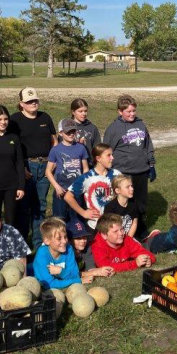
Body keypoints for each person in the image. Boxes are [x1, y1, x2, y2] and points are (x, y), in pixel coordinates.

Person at [9, 87, 57, 249]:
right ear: (21, 103)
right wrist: (21, 168)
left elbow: (54, 141)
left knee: (40, 206)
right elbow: (12, 147)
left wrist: (52, 163)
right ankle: (21, 244)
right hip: (26, 167)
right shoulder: (14, 120)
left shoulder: (45, 117)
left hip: (45, 166)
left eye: (35, 100)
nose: (33, 103)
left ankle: (38, 244)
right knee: (23, 207)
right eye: (29, 101)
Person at [103, 95, 155, 241]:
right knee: (126, 202)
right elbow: (106, 150)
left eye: (134, 111)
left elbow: (148, 145)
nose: (132, 114)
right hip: (124, 172)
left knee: (141, 202)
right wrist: (108, 169)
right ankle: (120, 230)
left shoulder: (141, 125)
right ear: (120, 111)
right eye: (128, 112)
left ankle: (140, 229)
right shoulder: (114, 128)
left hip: (141, 169)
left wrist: (151, 164)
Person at [64, 143, 119, 233]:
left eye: (112, 155)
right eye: (108, 155)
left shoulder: (117, 174)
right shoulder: (87, 178)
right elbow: (68, 196)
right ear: (98, 158)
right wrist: (83, 212)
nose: (112, 158)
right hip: (95, 226)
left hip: (116, 224)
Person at [46, 118, 89, 222]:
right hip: (61, 190)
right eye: (67, 132)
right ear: (60, 133)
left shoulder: (81, 148)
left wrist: (83, 184)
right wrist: (56, 186)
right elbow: (48, 171)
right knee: (60, 220)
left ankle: (76, 238)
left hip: (76, 190)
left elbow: (85, 168)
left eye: (73, 131)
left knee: (77, 220)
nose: (71, 134)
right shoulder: (56, 149)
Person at [91, 213, 156, 273]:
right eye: (115, 231)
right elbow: (107, 267)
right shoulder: (98, 245)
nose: (121, 233)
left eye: (121, 229)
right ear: (104, 235)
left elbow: (145, 253)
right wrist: (135, 264)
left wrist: (147, 260)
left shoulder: (126, 239)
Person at [32, 218, 82, 290]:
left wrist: (61, 271)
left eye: (65, 237)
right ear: (47, 241)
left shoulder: (68, 248)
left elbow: (75, 275)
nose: (64, 241)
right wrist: (77, 281)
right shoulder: (42, 254)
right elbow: (48, 284)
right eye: (59, 238)